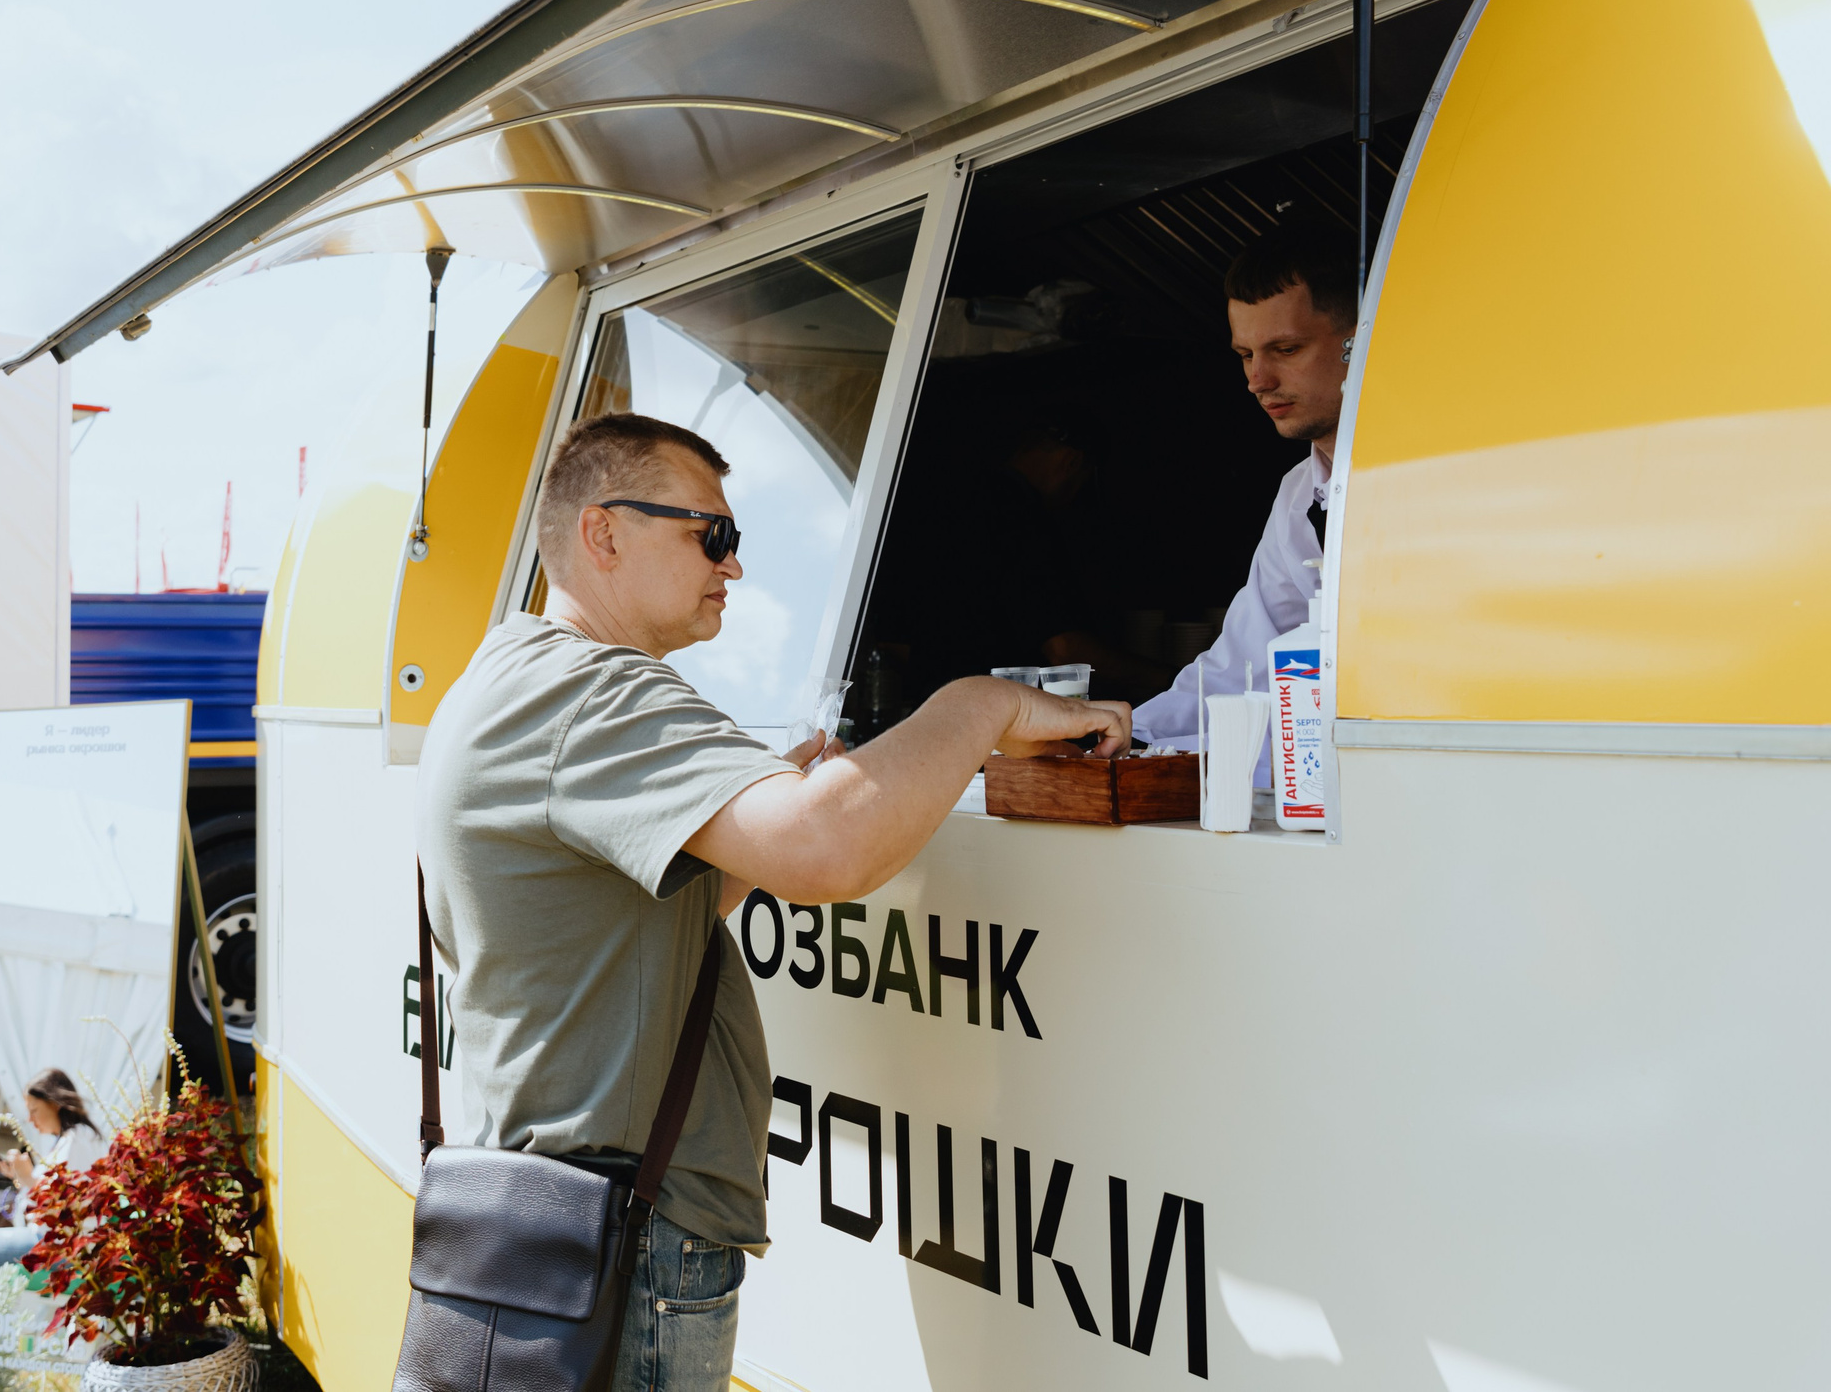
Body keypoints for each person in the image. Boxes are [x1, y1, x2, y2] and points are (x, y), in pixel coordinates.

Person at [417, 411, 1127, 1392]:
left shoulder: (508, 672)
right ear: (603, 531)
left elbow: (627, 926)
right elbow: (828, 853)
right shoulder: (592, 693)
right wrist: (982, 706)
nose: (732, 566)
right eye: (710, 534)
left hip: (545, 1211)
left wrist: (747, 815)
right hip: (628, 1229)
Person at [1132, 229, 1356, 754]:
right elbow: (1247, 662)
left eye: (1285, 349)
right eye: (1244, 354)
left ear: (1361, 338)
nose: (1258, 380)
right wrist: (1132, 737)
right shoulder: (1298, 493)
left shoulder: (1438, 476)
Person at [0, 1067, 103, 1274]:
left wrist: (28, 1178)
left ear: (55, 1104)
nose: (30, 1120)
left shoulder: (78, 1141)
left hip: (56, 1246)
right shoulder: (67, 1141)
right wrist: (18, 1177)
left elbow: (68, 1205)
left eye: (34, 1111)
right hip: (46, 1240)